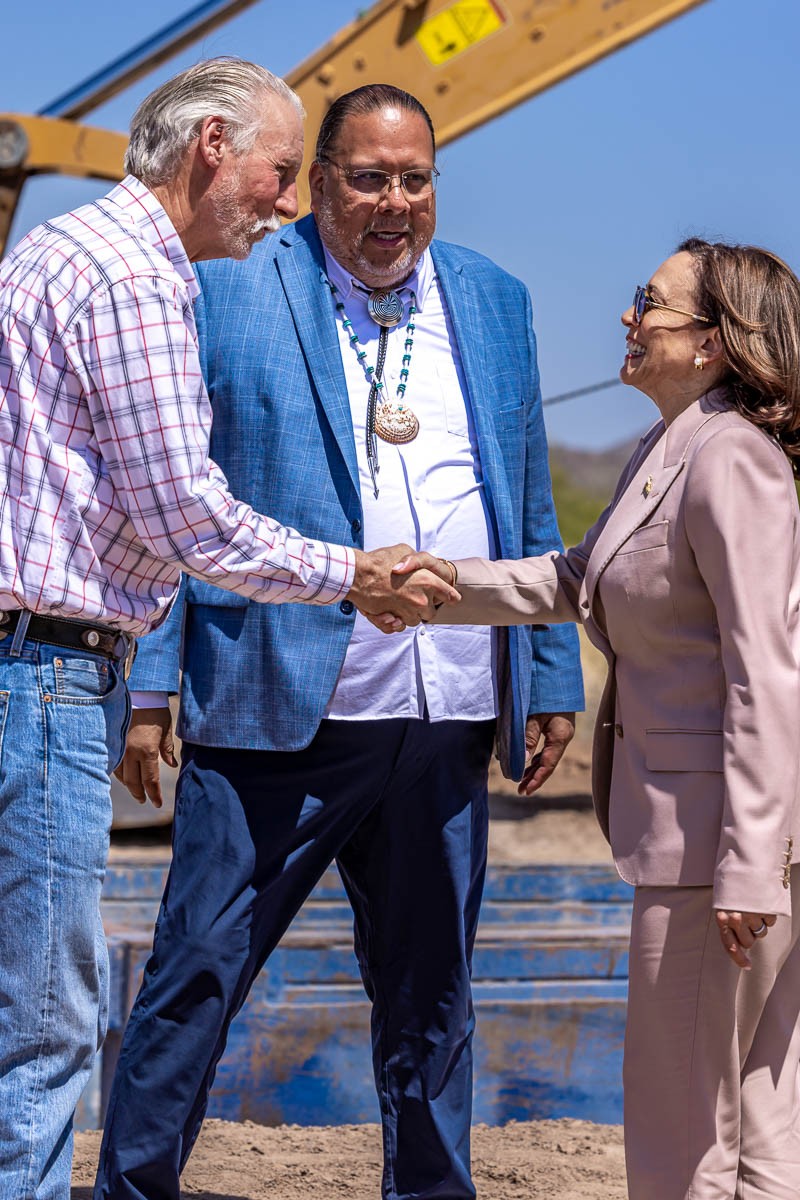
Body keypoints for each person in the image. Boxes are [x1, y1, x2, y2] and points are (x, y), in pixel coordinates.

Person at [93, 85, 583, 1200]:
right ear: (319, 182)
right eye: (367, 177)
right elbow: (171, 505)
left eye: (414, 180)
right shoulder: (229, 292)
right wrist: (154, 686)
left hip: (445, 708)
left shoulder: (492, 300)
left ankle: (428, 1188)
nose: (393, 202)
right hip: (274, 706)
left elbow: (523, 498)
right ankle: (131, 1186)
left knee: (431, 990)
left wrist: (543, 668)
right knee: (196, 973)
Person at [0, 60, 452, 1200]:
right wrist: (348, 572)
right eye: (279, 170)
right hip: (46, 673)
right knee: (46, 1025)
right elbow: (182, 511)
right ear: (209, 145)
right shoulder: (139, 283)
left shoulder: (57, 249)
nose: (285, 201)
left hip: (39, 663)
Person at [398, 239, 800, 1199]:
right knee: (756, 1118)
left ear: (712, 341)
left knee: (681, 1130)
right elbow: (578, 578)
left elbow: (765, 671)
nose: (627, 316)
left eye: (647, 302)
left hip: (716, 850)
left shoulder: (730, 461)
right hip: (722, 844)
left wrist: (749, 862)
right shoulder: (673, 450)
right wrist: (440, 582)